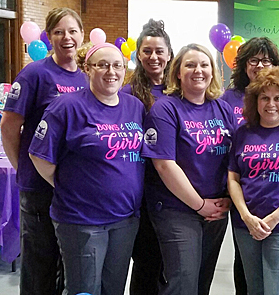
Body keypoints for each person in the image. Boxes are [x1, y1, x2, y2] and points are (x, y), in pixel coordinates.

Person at [28, 43, 145, 295]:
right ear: (87, 69)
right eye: (102, 65)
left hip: (125, 219)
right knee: (85, 290)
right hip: (82, 220)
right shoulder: (66, 107)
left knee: (114, 288)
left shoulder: (134, 106)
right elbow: (38, 155)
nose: (110, 71)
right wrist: (68, 186)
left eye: (117, 65)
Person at [1, 7, 87, 295]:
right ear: (49, 36)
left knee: (68, 264)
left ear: (82, 35)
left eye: (73, 31)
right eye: (59, 32)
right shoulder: (34, 74)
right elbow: (9, 126)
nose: (67, 38)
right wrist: (23, 168)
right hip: (39, 188)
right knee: (40, 264)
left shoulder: (86, 77)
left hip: (73, 187)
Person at [141, 43, 235, 295]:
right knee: (183, 281)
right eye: (190, 65)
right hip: (176, 210)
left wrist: (226, 199)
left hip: (216, 208)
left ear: (213, 71)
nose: (198, 70)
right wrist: (199, 204)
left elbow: (234, 159)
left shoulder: (223, 109)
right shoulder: (165, 108)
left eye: (205, 65)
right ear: (178, 72)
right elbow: (163, 165)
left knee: (202, 281)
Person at [220, 36, 279, 295]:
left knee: (277, 285)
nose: (260, 66)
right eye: (253, 60)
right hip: (243, 204)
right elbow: (232, 172)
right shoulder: (228, 99)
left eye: (266, 61)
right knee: (248, 279)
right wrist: (246, 216)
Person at [122, 18, 174, 295]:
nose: (153, 57)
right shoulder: (126, 93)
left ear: (169, 54)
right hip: (140, 191)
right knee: (145, 262)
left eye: (159, 51)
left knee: (171, 264)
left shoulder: (179, 93)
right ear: (138, 55)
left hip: (174, 191)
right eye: (147, 51)